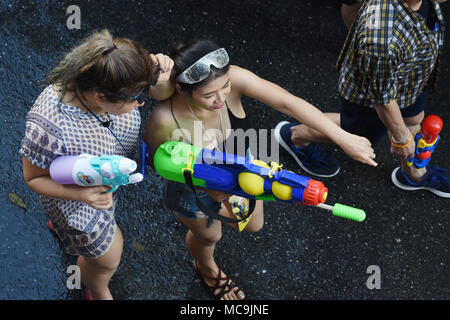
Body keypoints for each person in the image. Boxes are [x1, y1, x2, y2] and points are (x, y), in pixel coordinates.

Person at [144, 40, 376, 300]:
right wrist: (213, 189)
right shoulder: (163, 121)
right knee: (210, 234)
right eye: (209, 95)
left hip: (240, 166)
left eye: (225, 87)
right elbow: (161, 165)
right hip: (192, 186)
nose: (221, 98)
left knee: (254, 225)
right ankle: (207, 267)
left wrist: (341, 137)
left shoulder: (233, 79)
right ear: (181, 89)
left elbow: (288, 103)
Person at [20, 29, 174, 300]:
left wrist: (163, 70)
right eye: (136, 98)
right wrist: (82, 194)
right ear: (101, 98)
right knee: (108, 259)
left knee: (81, 240)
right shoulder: (49, 125)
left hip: (102, 180)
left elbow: (161, 92)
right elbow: (33, 178)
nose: (141, 103)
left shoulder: (120, 66)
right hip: (79, 203)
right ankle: (97, 286)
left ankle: (63, 233)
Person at [275, 0, 450, 197]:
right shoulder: (381, 37)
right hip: (372, 94)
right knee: (358, 135)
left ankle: (414, 174)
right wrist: (401, 137)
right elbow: (382, 99)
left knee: (414, 120)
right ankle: (295, 136)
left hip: (412, 76)